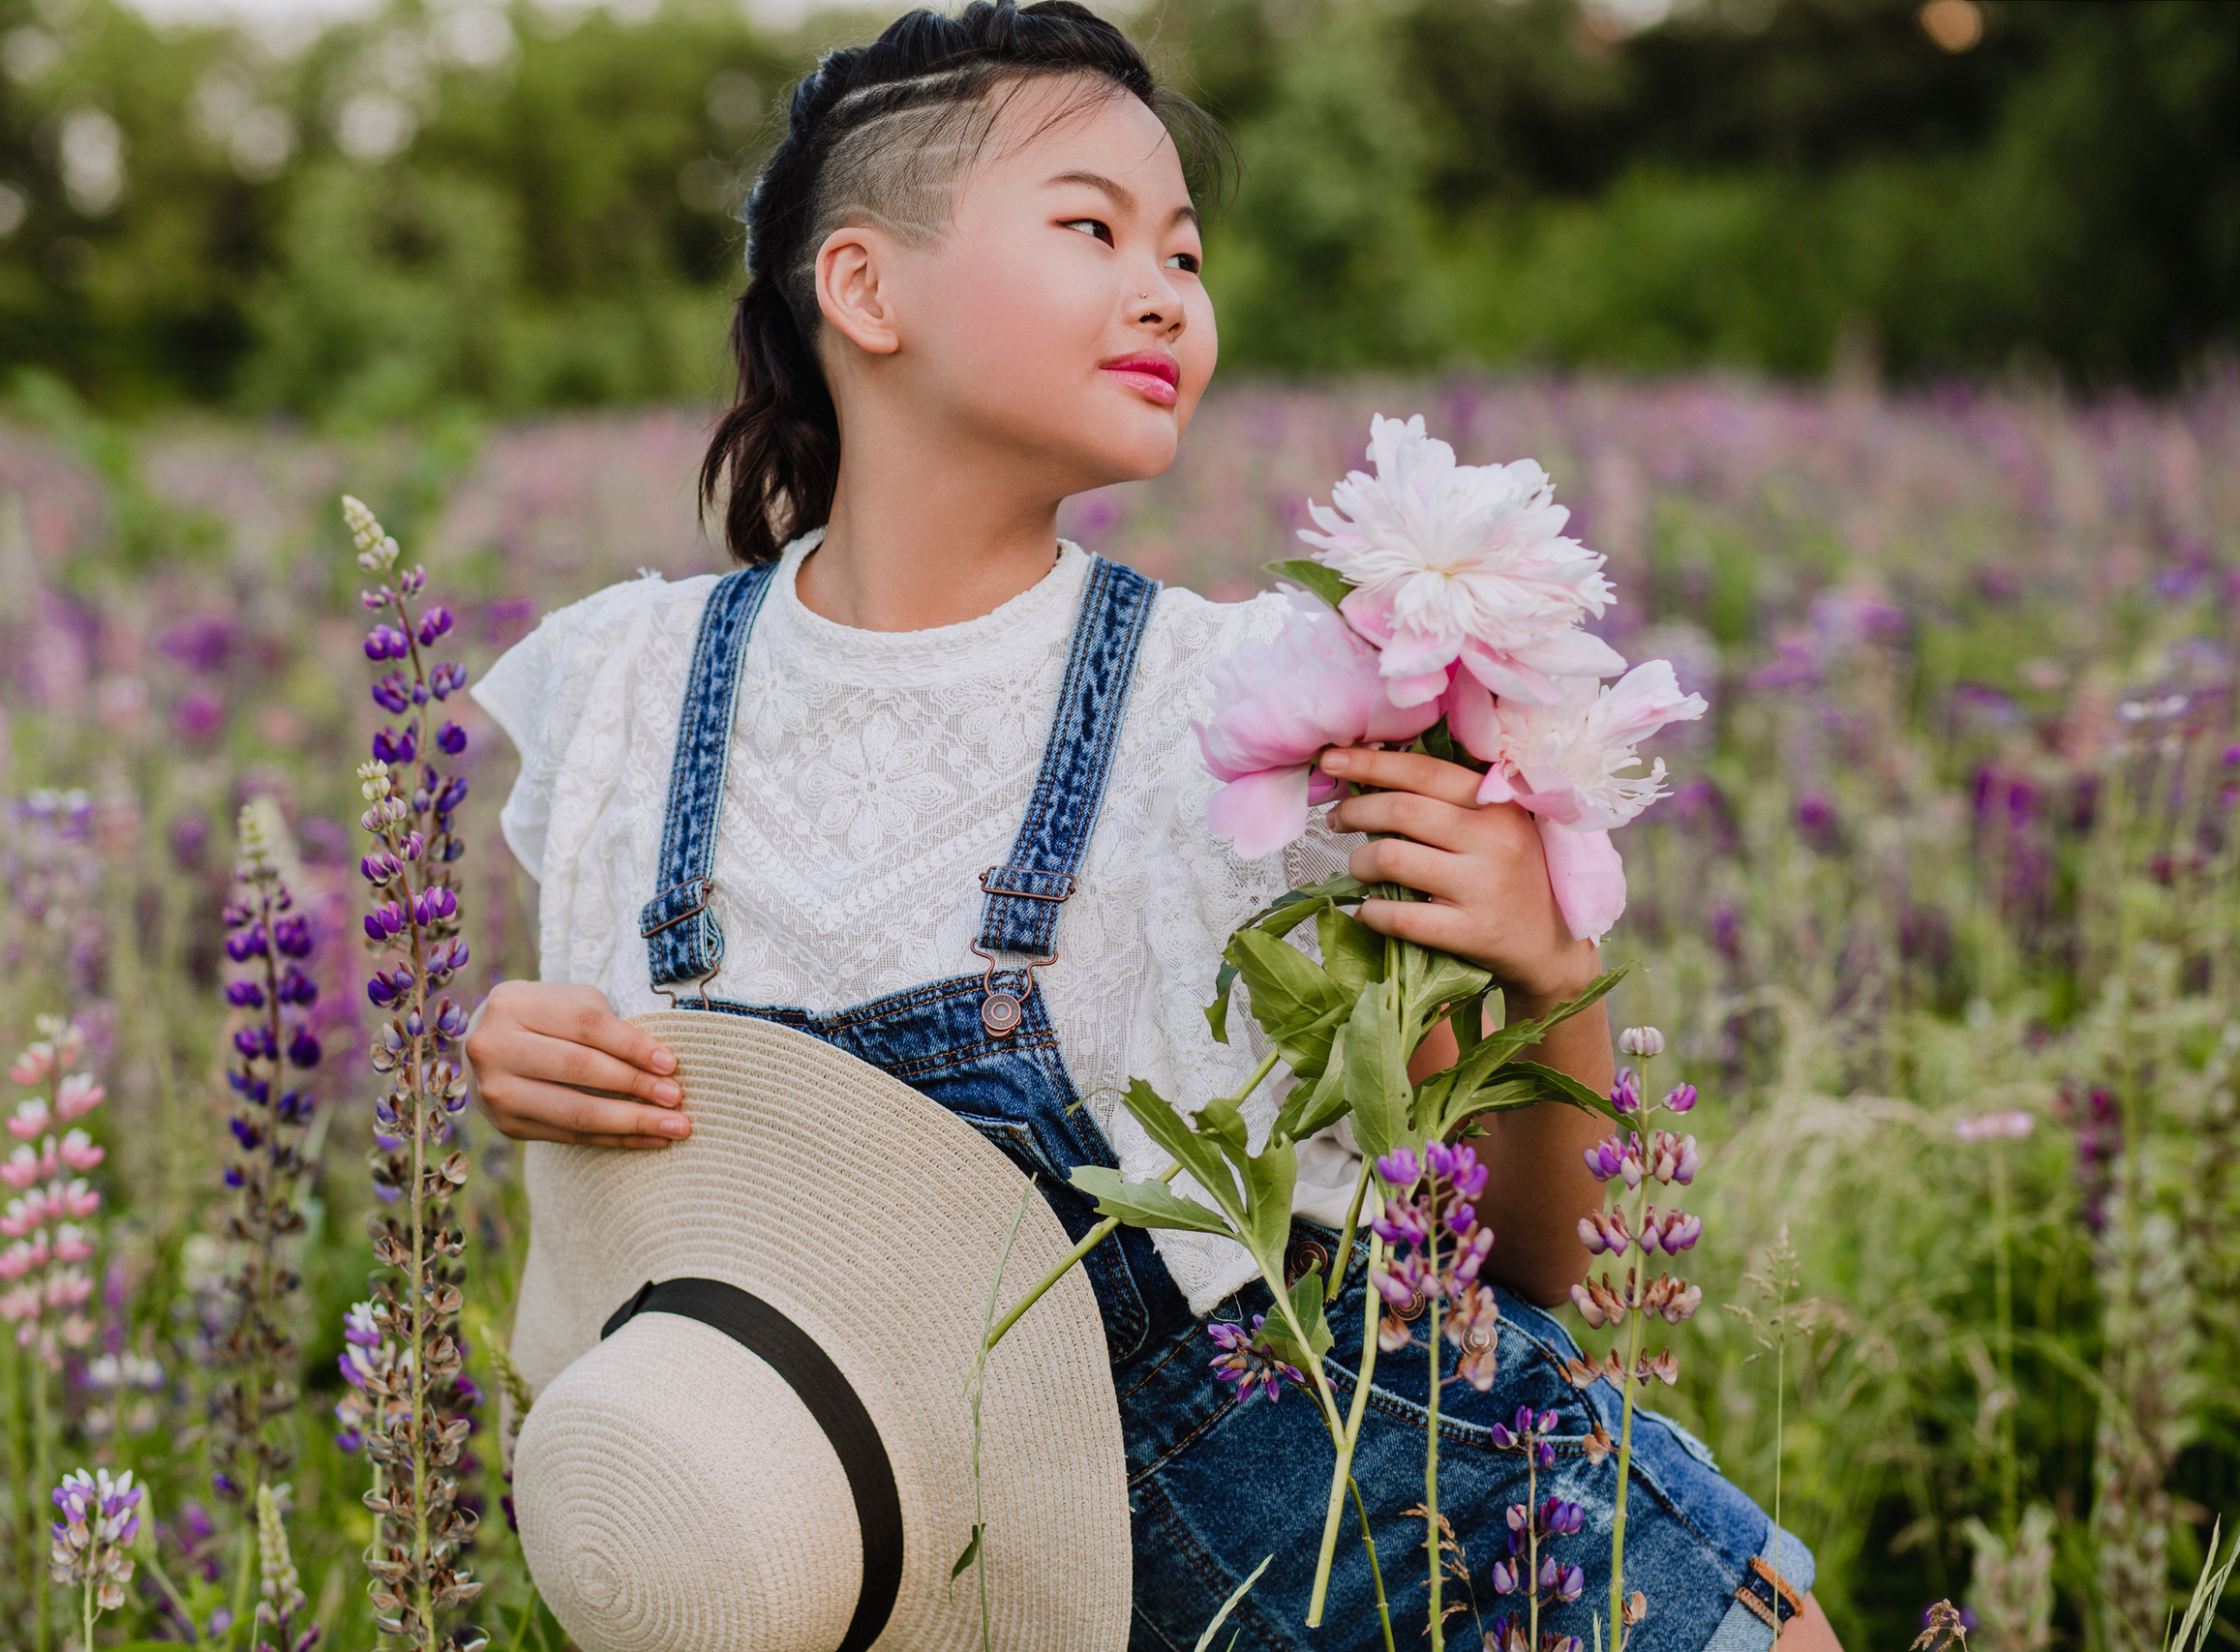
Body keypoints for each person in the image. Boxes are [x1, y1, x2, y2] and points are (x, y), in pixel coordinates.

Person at [464, 5, 1840, 1648]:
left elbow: (1542, 1264)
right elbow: (702, 1240)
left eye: (1184, 253)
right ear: (864, 289)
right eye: (1091, 227)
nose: (1166, 292)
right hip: (937, 1590)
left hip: (1409, 1539)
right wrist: (541, 1075)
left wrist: (1553, 973)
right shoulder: (631, 689)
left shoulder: (1253, 697)